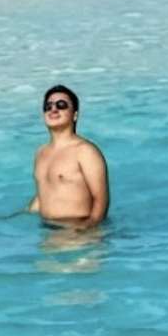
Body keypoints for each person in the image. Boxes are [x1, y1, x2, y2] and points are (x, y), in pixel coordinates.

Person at [26, 84, 109, 228]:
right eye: (48, 106)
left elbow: (101, 199)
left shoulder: (85, 151)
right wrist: (23, 215)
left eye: (61, 105)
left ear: (75, 115)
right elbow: (45, 191)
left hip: (78, 231)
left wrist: (88, 229)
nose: (54, 109)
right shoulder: (41, 152)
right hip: (49, 231)